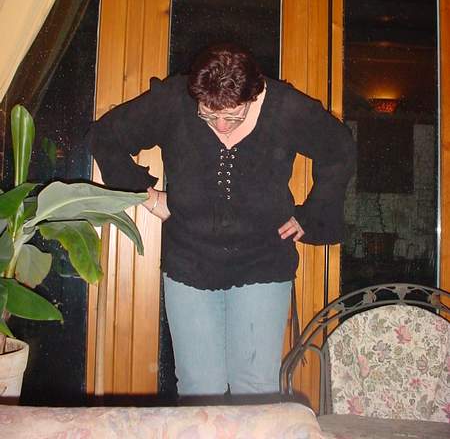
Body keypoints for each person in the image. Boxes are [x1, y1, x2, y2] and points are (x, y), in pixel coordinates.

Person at [87, 43, 356, 403]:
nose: (222, 127)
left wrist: (312, 215)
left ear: (254, 95)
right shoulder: (175, 100)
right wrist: (147, 196)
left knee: (255, 389)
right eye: (209, 116)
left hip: (263, 261)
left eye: (233, 116)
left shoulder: (285, 106)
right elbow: (105, 136)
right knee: (199, 389)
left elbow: (339, 147)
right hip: (189, 261)